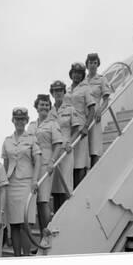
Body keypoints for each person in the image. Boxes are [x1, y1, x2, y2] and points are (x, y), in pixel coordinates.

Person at [1, 107, 42, 256]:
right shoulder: (7, 141)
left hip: (26, 184)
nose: (20, 122)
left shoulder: (31, 138)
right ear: (13, 120)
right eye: (17, 119)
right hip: (11, 184)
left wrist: (35, 180)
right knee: (15, 224)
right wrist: (3, 184)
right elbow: (5, 164)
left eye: (22, 119)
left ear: (26, 121)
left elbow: (38, 160)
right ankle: (17, 257)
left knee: (26, 223)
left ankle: (26, 257)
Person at [27, 94, 63, 241]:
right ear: (36, 107)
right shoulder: (31, 125)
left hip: (45, 164)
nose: (44, 107)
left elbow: (58, 144)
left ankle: (47, 236)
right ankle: (41, 236)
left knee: (43, 201)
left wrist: (52, 162)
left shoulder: (53, 124)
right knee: (35, 201)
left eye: (47, 105)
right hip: (31, 165)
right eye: (41, 104)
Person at [49, 80, 78, 211]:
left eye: (60, 90)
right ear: (52, 93)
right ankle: (56, 213)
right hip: (53, 150)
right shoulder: (49, 111)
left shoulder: (70, 109)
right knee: (55, 185)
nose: (58, 93)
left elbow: (76, 129)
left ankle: (67, 212)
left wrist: (71, 142)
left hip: (66, 149)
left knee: (65, 182)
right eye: (55, 91)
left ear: (64, 92)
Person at [68, 62, 96, 188]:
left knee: (79, 161)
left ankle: (79, 189)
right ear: (71, 73)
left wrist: (86, 127)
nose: (76, 75)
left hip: (79, 128)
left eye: (79, 73)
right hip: (67, 128)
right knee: (68, 160)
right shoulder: (67, 90)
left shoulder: (86, 88)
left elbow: (92, 109)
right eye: (75, 72)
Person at [85, 53, 111, 168]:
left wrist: (100, 110)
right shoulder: (83, 81)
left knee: (94, 147)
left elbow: (106, 99)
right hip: (82, 114)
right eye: (90, 62)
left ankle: (94, 171)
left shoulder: (101, 79)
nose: (93, 65)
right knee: (83, 146)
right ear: (87, 64)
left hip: (95, 114)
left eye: (95, 63)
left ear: (98, 64)